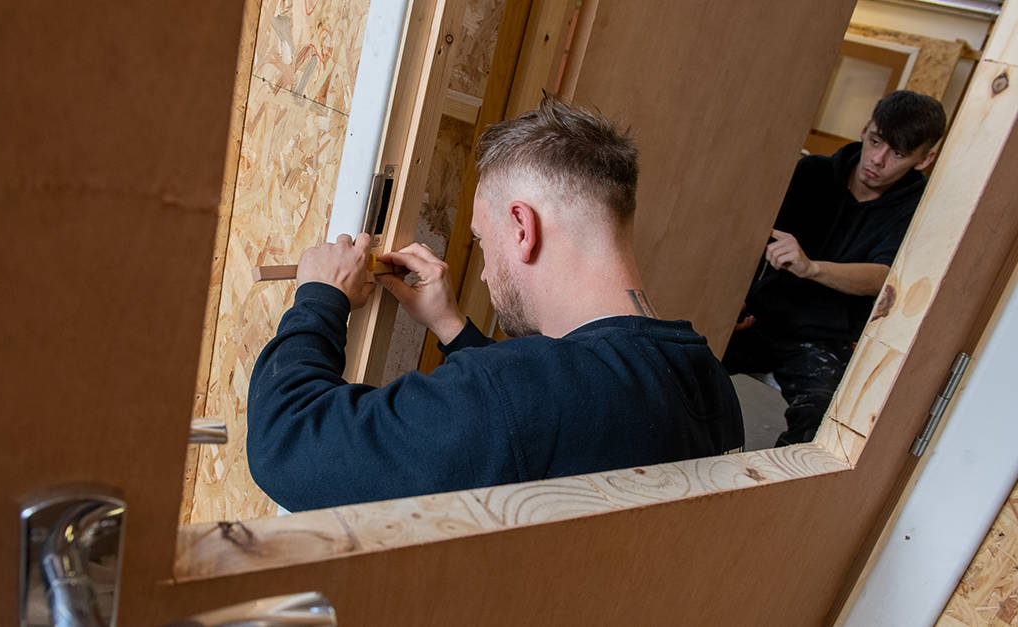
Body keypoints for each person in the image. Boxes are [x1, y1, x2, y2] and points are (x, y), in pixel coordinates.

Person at [246, 97, 743, 512]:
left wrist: (320, 297)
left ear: (523, 228)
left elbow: (286, 441)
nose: (482, 272)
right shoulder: (708, 381)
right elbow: (551, 423)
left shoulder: (521, 393)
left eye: (483, 241)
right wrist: (452, 328)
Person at [724, 90, 946, 447]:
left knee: (821, 422)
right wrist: (732, 300)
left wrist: (811, 268)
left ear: (924, 160)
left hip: (823, 336)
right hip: (762, 315)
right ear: (865, 128)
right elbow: (752, 240)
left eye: (898, 154)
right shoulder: (812, 173)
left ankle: (770, 498)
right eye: (875, 141)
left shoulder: (919, 212)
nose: (877, 159)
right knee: (678, 366)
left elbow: (882, 278)